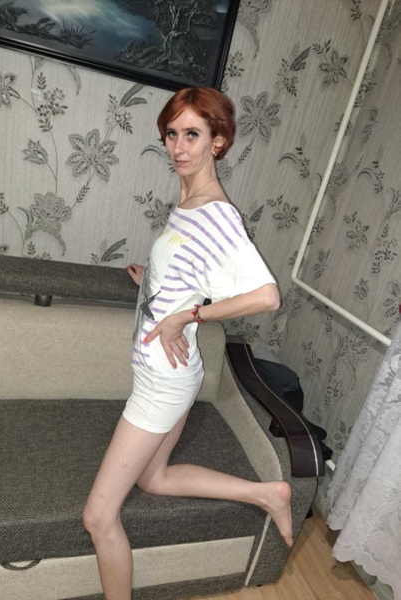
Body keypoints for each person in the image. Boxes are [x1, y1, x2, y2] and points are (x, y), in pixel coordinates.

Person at [83, 87, 292, 600]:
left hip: (162, 382)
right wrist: (153, 281)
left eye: (192, 134)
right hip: (174, 371)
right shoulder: (188, 202)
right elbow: (191, 270)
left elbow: (266, 296)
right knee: (153, 479)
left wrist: (189, 315)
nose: (178, 147)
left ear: (218, 141)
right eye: (172, 134)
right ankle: (267, 492)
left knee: (98, 516)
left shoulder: (217, 214)